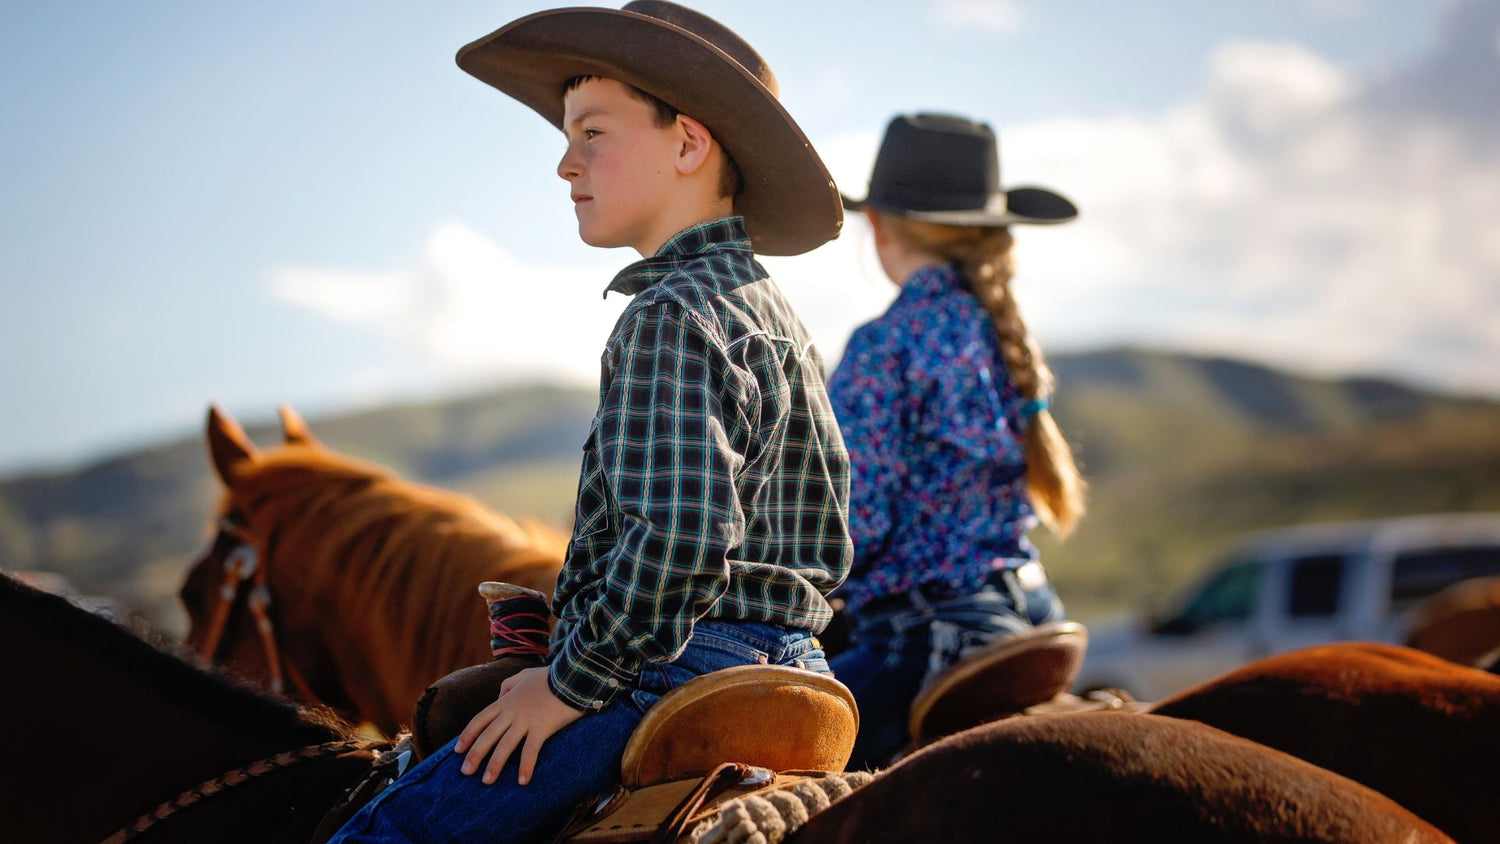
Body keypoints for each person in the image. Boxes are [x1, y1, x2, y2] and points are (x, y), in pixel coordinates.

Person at [328, 3, 852, 841]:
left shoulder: (670, 315)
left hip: (671, 668)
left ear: (688, 143)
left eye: (592, 132)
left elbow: (680, 541)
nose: (565, 165)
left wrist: (568, 682)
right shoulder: (772, 311)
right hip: (798, 665)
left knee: (384, 837)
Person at [827, 113, 1087, 769]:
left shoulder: (884, 344)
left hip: (921, 636)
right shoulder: (1001, 336)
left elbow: (855, 522)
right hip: (1025, 610)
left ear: (879, 227)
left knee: (767, 755)